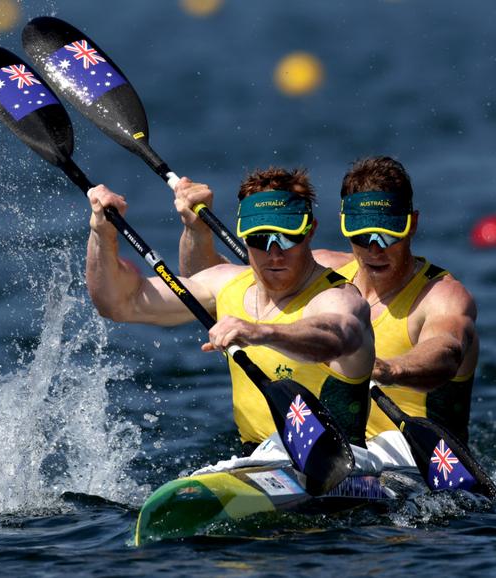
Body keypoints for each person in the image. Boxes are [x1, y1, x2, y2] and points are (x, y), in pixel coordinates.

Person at [175, 157, 478, 467]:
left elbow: (446, 353)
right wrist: (196, 230)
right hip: (334, 454)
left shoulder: (443, 296)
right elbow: (211, 290)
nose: (375, 249)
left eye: (388, 234)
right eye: (362, 235)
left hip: (419, 460)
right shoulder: (320, 272)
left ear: (412, 224)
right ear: (345, 225)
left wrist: (389, 370)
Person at [86, 167, 375, 456]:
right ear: (242, 234)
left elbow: (339, 335)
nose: (275, 254)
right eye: (260, 239)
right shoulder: (225, 284)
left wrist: (261, 332)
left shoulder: (336, 296)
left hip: (340, 465)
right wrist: (102, 232)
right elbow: (119, 303)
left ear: (309, 231)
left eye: (288, 237)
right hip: (257, 459)